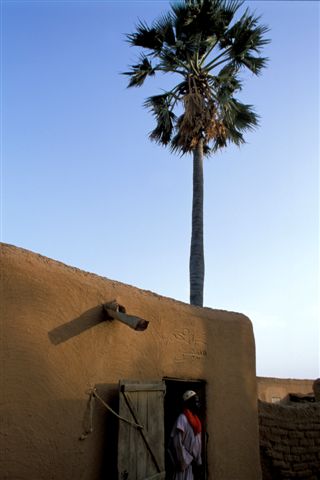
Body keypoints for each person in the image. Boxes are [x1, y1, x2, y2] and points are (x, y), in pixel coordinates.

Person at [168, 390, 202, 480]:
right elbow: (177, 443)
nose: (198, 404)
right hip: (182, 464)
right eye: (196, 401)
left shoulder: (196, 421)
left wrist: (197, 459)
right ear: (189, 403)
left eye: (198, 401)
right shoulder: (182, 419)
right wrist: (185, 460)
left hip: (190, 464)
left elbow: (197, 442)